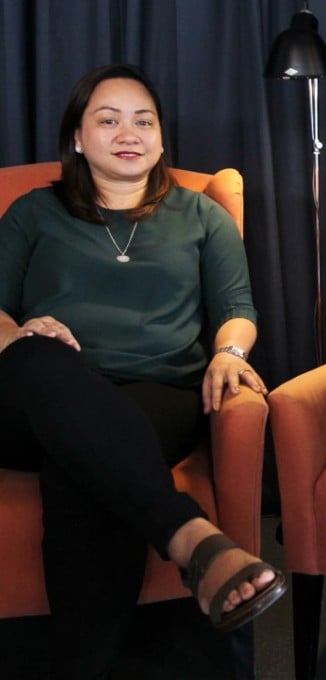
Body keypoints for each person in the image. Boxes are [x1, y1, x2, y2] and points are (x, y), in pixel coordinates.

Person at [0, 64, 286, 678]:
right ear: (78, 137)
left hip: (157, 393)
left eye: (143, 121)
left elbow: (237, 310)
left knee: (81, 465)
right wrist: (17, 332)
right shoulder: (33, 213)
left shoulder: (203, 216)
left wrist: (229, 353)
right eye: (107, 120)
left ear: (160, 138)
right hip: (37, 387)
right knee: (47, 368)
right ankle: (191, 540)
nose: (128, 132)